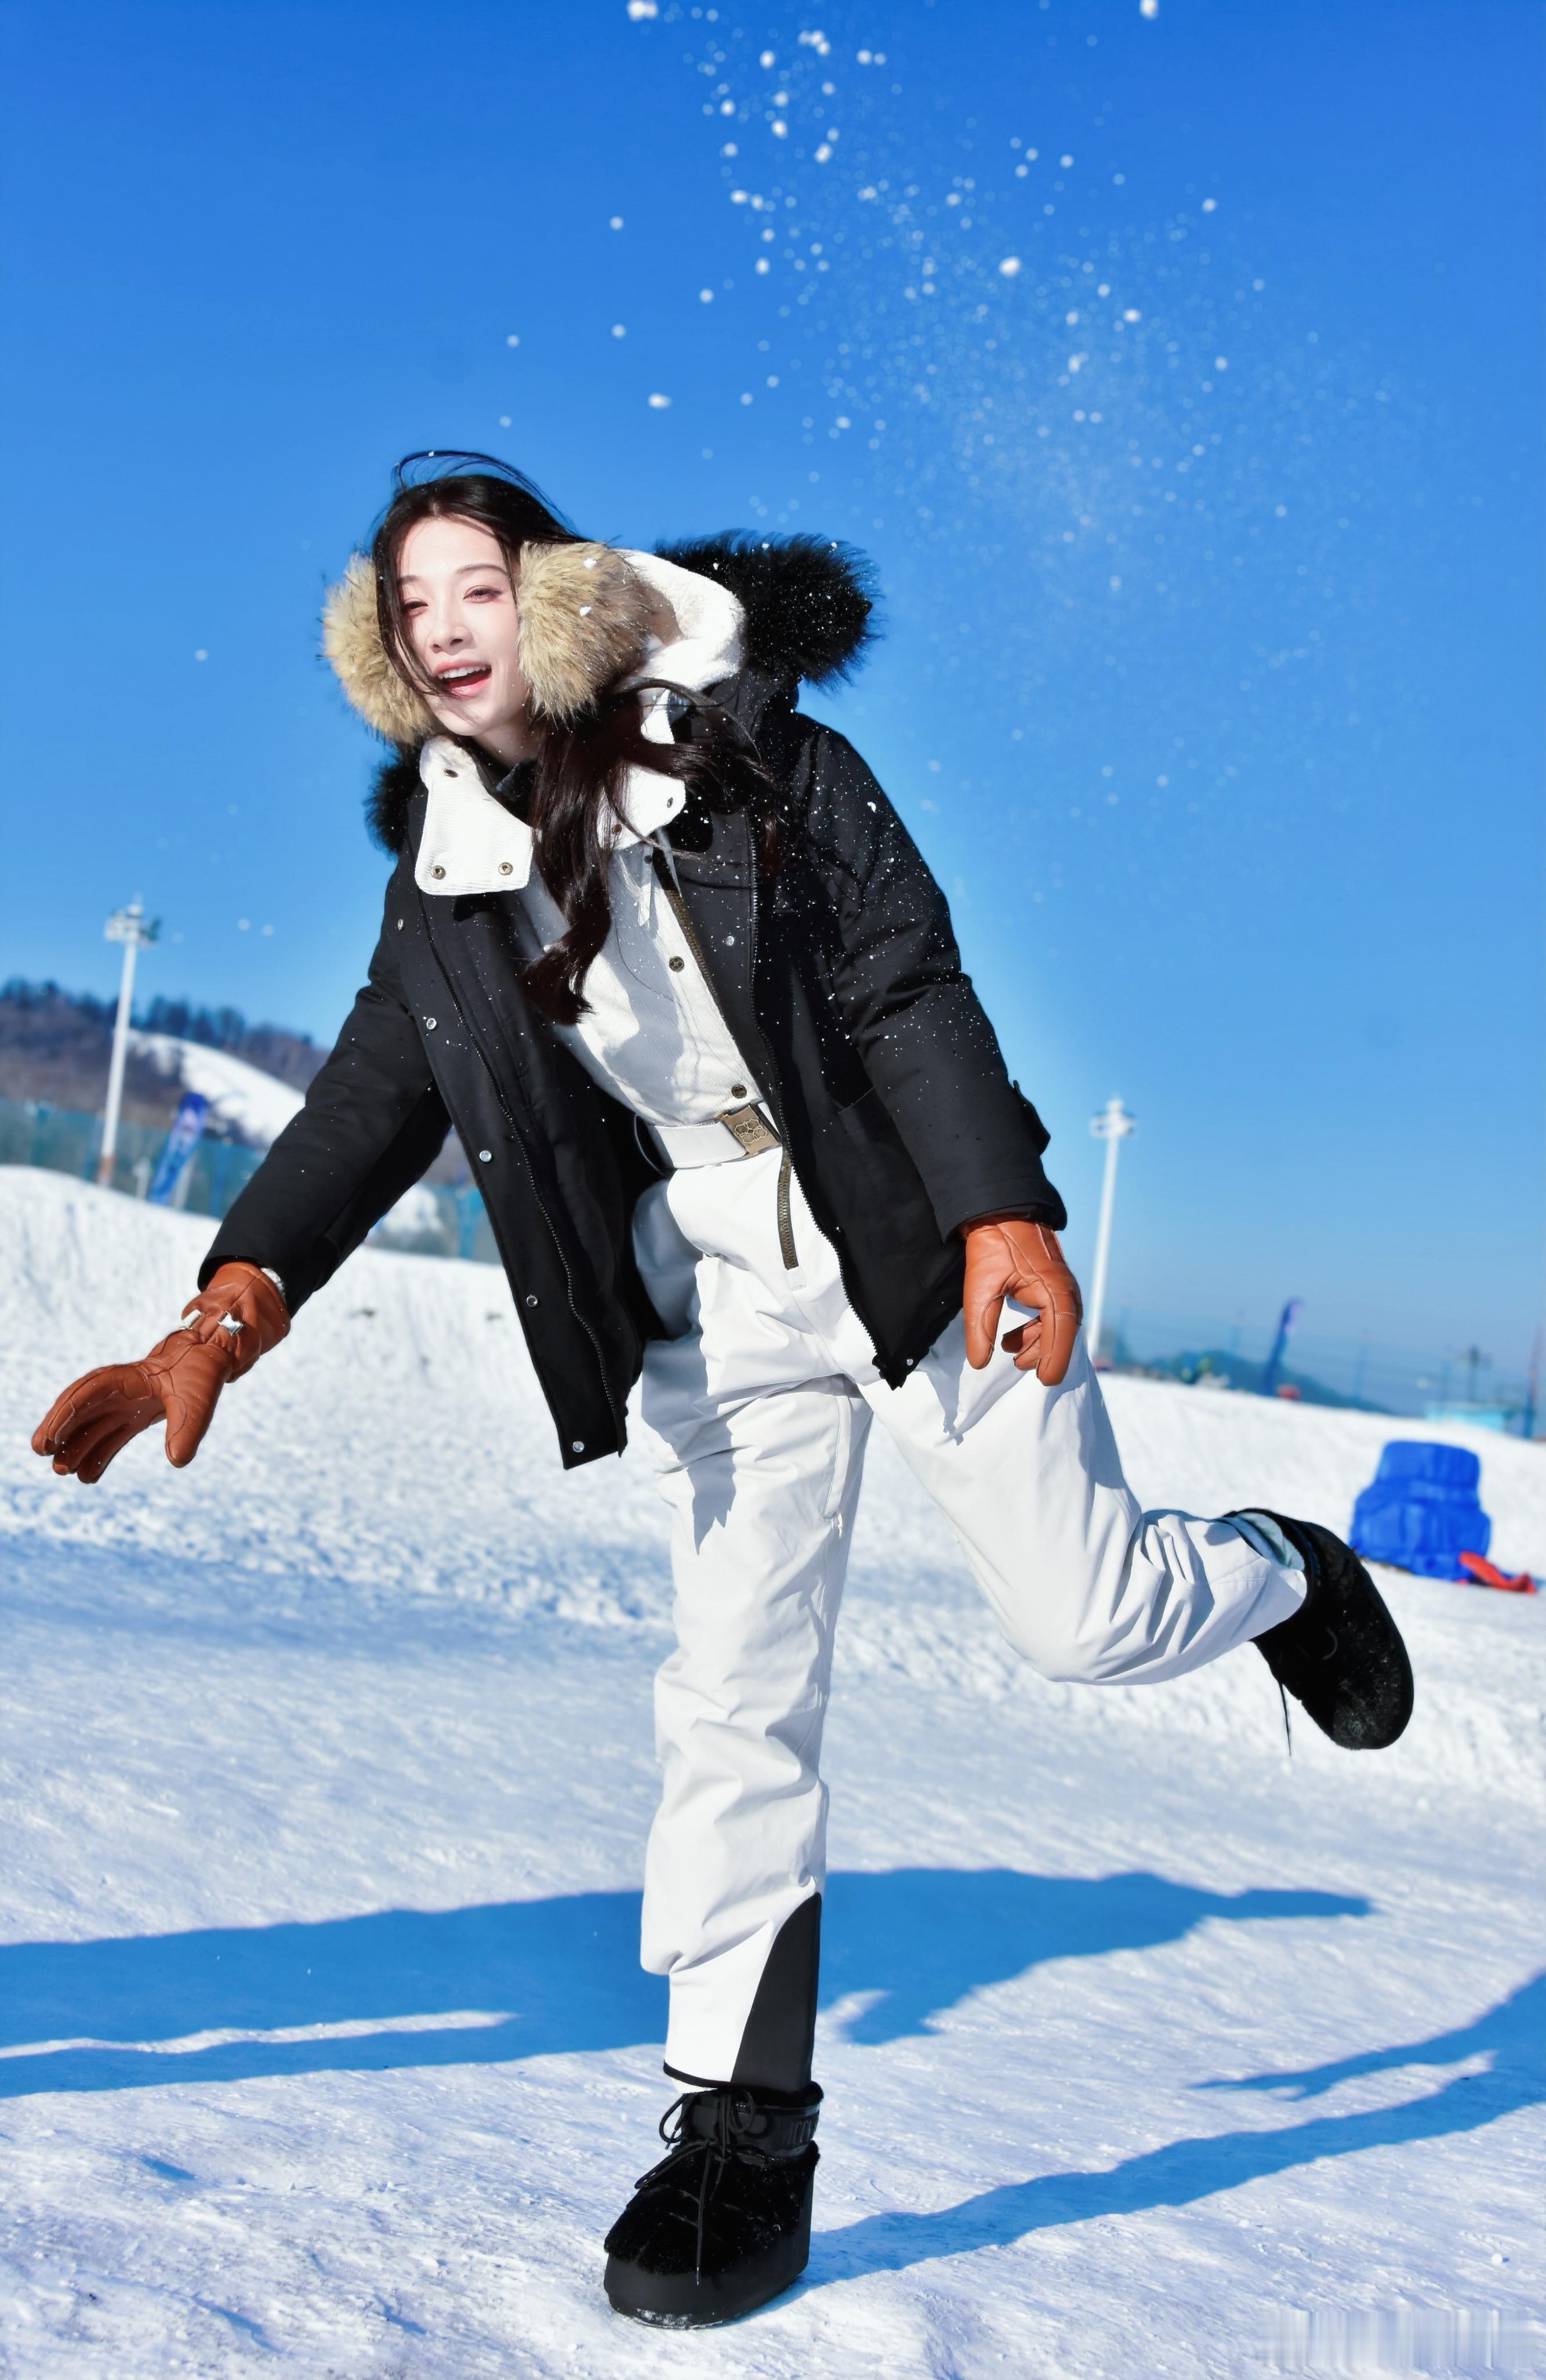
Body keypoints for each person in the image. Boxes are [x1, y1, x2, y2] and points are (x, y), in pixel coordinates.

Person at [32, 454, 1413, 2331]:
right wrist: (223, 1312)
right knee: (733, 1695)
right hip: (717, 1288)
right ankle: (736, 2127)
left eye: (476, 586)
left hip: (907, 1235)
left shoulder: (760, 757)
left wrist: (1002, 1205)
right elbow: (370, 1100)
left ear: (554, 595)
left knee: (1085, 1621)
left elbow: (907, 986)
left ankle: (1282, 1569)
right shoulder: (445, 875)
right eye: (407, 605)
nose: (444, 630)